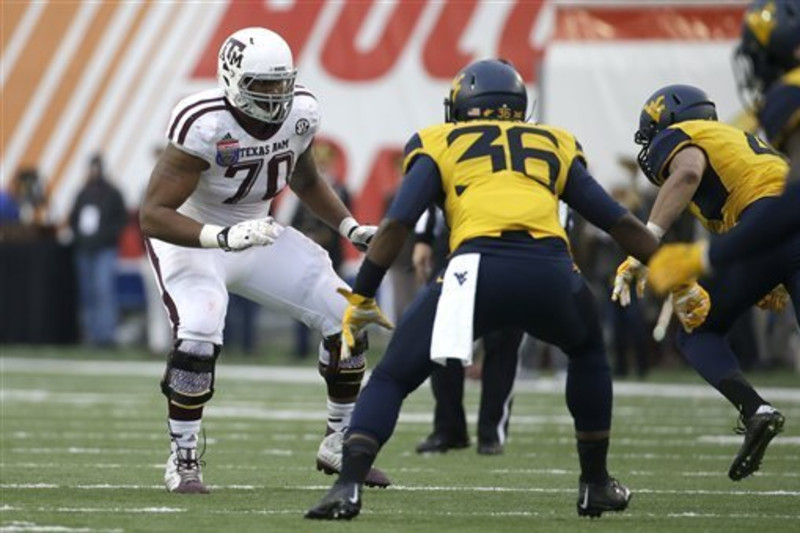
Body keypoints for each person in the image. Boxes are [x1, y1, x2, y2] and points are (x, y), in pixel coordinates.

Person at [305, 58, 709, 520]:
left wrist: (363, 295)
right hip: (551, 269)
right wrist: (677, 275)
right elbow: (616, 220)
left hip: (473, 268)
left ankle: (348, 485)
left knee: (394, 375)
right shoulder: (554, 141)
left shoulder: (438, 140)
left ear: (463, 105)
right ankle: (595, 483)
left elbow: (398, 220)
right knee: (588, 352)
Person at [138, 27, 389, 494]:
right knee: (199, 327)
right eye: (263, 86)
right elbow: (153, 214)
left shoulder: (302, 111)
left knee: (347, 315)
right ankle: (183, 458)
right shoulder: (203, 121)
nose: (276, 97)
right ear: (232, 80)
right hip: (194, 235)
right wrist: (222, 235)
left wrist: (351, 228)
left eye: (281, 84)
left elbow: (307, 179)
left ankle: (338, 442)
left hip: (258, 231)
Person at [613, 83, 790, 482]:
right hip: (780, 221)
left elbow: (688, 171)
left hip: (767, 222)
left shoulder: (685, 137)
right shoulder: (740, 142)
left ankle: (755, 409)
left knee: (697, 332)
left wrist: (647, 241)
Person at [648, 0, 800, 288]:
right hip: (774, 217)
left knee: (708, 320)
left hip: (764, 211)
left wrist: (705, 257)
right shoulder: (735, 137)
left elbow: (795, 200)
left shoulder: (789, 94)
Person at [412, 206, 523, 455]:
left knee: (503, 339)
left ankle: (491, 431)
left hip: (511, 241)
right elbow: (429, 182)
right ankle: (448, 428)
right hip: (456, 242)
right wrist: (423, 238)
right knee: (444, 338)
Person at [68, 154, 128, 347]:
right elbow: (73, 218)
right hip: (85, 249)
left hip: (104, 248)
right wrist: (80, 237)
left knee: (104, 290)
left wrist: (105, 236)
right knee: (88, 292)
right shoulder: (83, 192)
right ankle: (91, 334)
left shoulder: (113, 193)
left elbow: (121, 220)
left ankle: (106, 335)